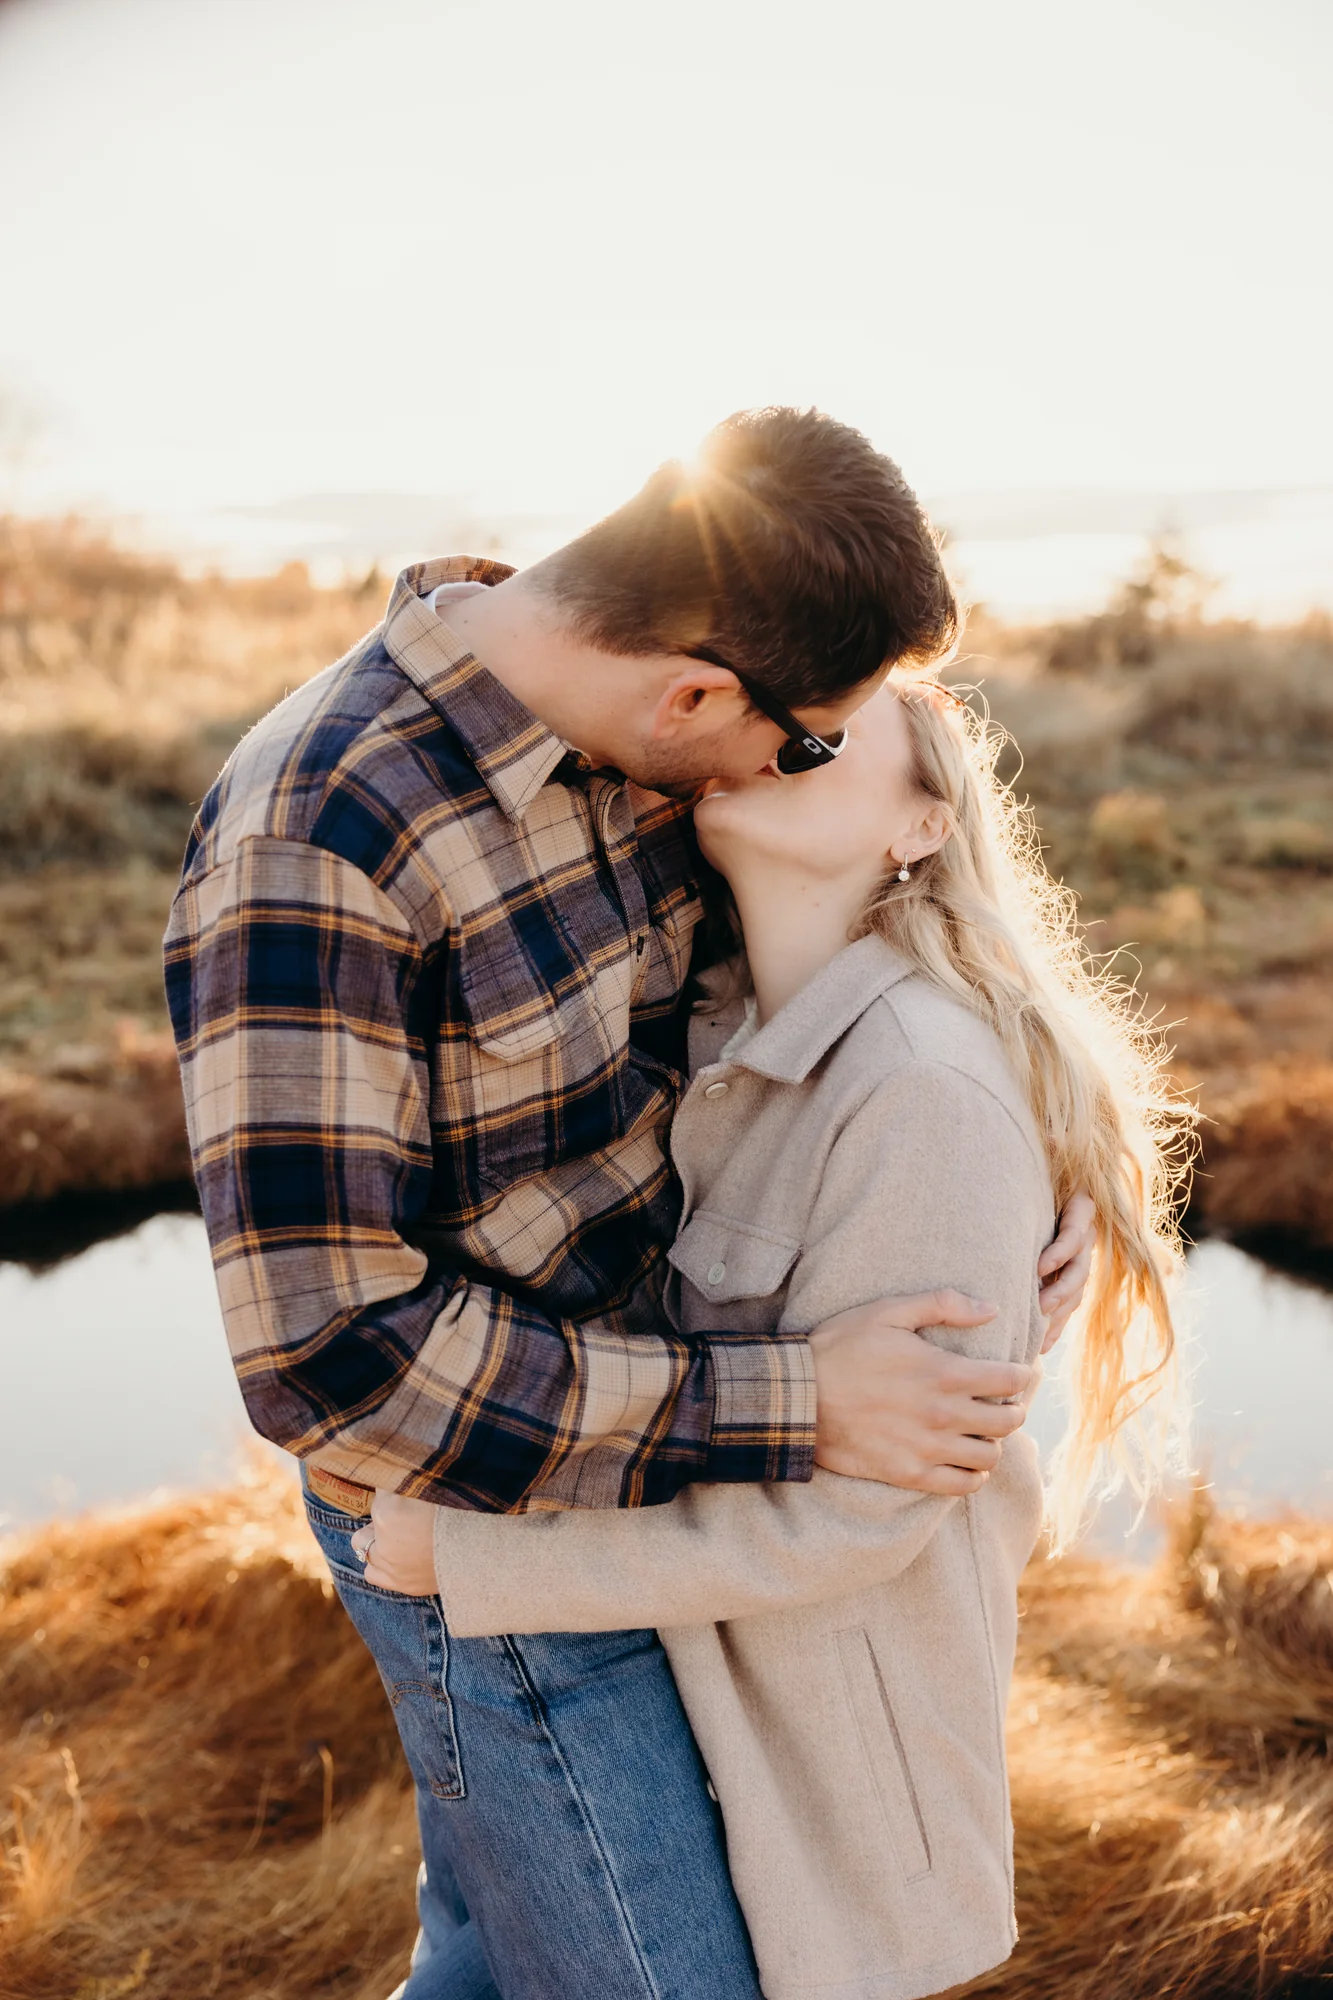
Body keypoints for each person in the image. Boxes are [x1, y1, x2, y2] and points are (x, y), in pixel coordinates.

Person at [164, 408, 1095, 1999]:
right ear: (698, 693)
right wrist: (801, 1399)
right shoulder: (321, 834)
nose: (786, 773)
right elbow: (336, 1361)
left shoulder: (639, 747)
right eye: (805, 739)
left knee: (478, 1954)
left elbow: (806, 972)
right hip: (477, 1504)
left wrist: (1017, 1176)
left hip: (654, 1485)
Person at [360, 675, 1189, 2000]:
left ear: (922, 825)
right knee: (466, 1970)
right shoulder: (702, 1025)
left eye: (839, 731)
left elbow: (857, 1515)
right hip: (670, 1697)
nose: (790, 733)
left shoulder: (922, 1084)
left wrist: (478, 1559)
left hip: (816, 1795)